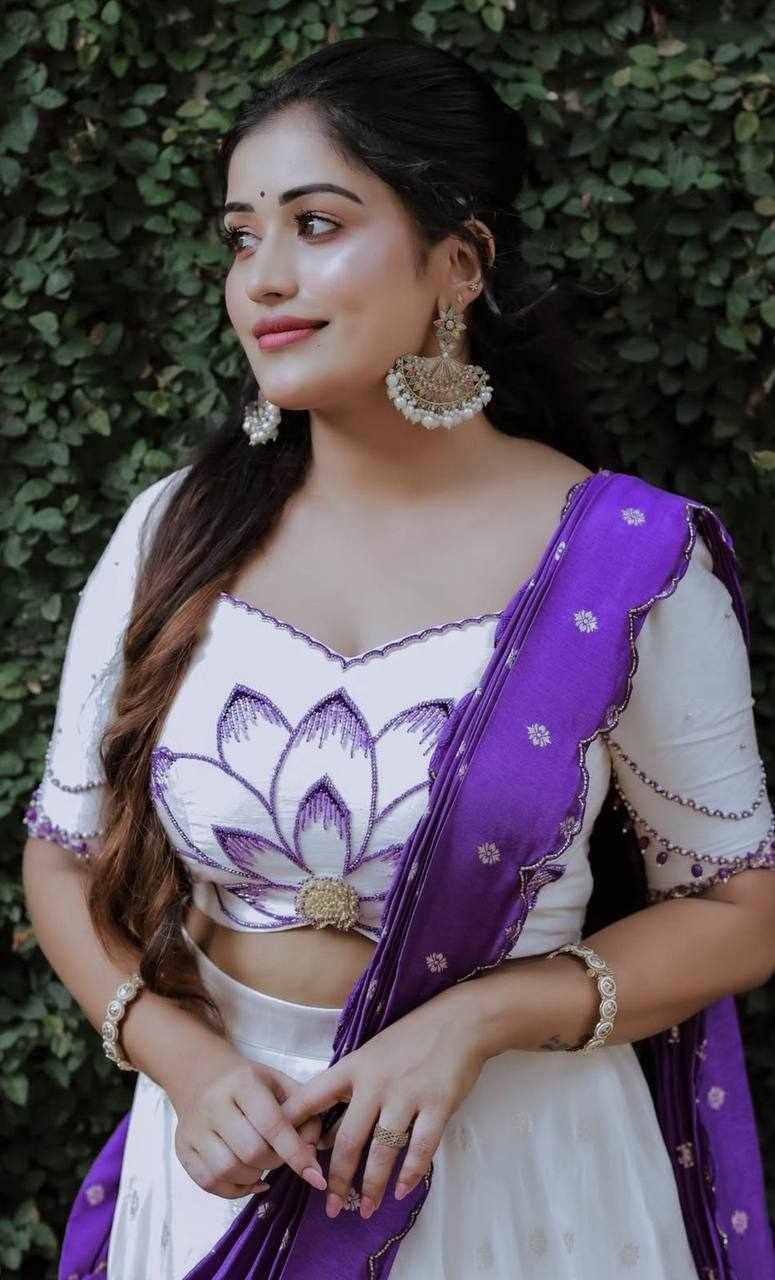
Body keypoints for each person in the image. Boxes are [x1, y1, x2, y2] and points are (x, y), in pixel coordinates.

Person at [21, 35, 775, 1280]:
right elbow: (62, 855)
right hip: (220, 1163)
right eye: (240, 238)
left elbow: (738, 911)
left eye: (316, 224)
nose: (263, 278)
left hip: (518, 1178)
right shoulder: (174, 532)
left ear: (458, 262)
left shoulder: (624, 561)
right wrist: (178, 1053)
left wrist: (477, 1018)